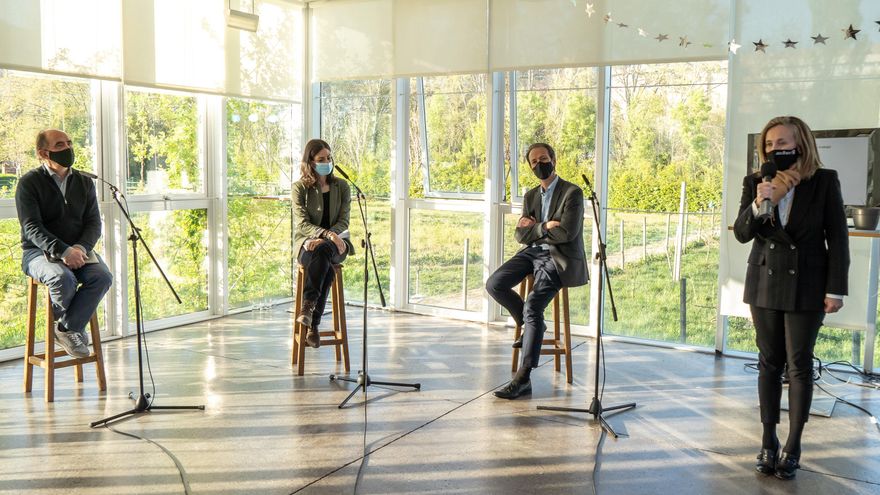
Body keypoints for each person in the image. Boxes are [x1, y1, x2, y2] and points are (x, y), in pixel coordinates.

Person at [733, 116, 849, 480]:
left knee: (798, 365)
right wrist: (758, 203)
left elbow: (838, 238)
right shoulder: (756, 182)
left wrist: (835, 289)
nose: (775, 149)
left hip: (808, 283)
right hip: (765, 280)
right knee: (769, 362)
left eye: (783, 142)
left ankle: (793, 445)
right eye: (769, 144)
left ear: (801, 144)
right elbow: (741, 233)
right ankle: (768, 439)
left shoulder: (823, 181)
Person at [486, 143, 589, 399]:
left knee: (533, 306)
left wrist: (537, 227)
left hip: (558, 257)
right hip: (532, 252)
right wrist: (545, 226)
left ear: (553, 159)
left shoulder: (572, 193)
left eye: (543, 159)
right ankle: (531, 326)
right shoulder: (531, 195)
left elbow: (567, 233)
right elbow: (521, 234)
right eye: (534, 162)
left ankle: (523, 378)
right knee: (494, 284)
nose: (539, 165)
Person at [15, 129, 113, 359]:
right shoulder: (29, 183)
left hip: (79, 251)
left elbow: (93, 224)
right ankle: (74, 328)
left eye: (69, 143)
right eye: (60, 145)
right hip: (38, 253)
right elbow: (31, 227)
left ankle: (66, 328)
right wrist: (63, 250)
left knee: (103, 277)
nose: (68, 148)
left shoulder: (85, 182)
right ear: (43, 153)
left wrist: (79, 248)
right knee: (62, 278)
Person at [292, 139, 353, 348]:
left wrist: (331, 237)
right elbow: (302, 223)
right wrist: (325, 235)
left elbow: (344, 220)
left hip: (338, 245)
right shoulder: (299, 188)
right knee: (323, 260)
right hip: (308, 245)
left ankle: (307, 309)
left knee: (325, 251)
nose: (326, 162)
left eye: (328, 158)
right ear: (310, 161)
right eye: (321, 159)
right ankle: (314, 324)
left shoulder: (342, 186)